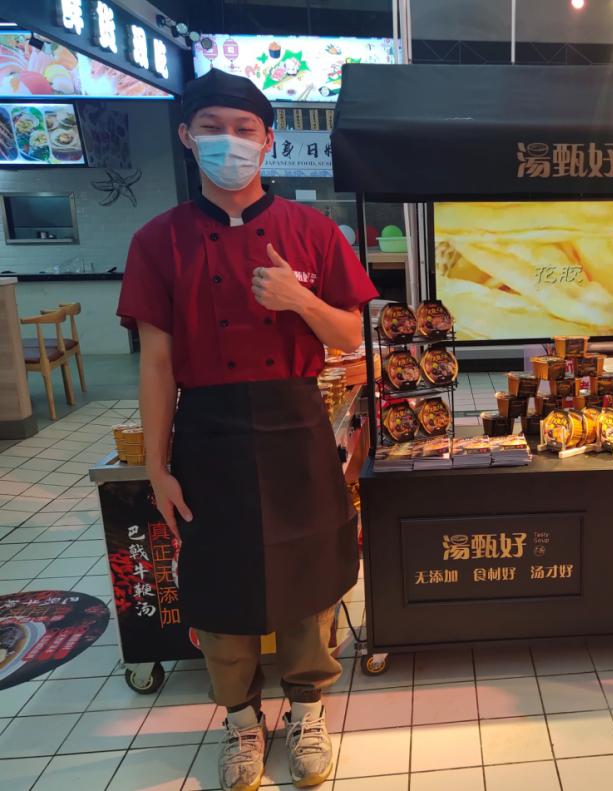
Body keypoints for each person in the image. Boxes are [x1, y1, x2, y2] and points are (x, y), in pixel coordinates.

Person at [117, 69, 377, 791]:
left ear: (267, 141)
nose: (227, 142)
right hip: (206, 432)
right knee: (218, 580)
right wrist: (157, 467)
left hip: (295, 422)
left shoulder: (311, 232)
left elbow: (353, 333)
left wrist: (300, 300)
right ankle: (239, 719)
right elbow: (157, 364)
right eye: (211, 128)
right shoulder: (158, 240)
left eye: (243, 129)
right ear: (186, 136)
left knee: (307, 574)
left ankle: (308, 710)